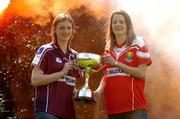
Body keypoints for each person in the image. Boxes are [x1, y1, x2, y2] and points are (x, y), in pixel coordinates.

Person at [94, 10, 152, 119]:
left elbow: (141, 73)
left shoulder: (138, 43)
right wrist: (99, 90)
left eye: (121, 22)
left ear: (128, 25)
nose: (118, 25)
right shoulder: (108, 46)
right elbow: (107, 74)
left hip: (135, 109)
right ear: (111, 26)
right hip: (113, 110)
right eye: (115, 22)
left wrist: (116, 63)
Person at [31, 13, 83, 119]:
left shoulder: (75, 56)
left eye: (69, 28)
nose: (66, 31)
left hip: (68, 113)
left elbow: (70, 85)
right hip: (48, 111)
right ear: (54, 29)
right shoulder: (46, 50)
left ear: (73, 30)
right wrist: (62, 73)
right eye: (62, 28)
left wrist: (80, 93)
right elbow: (35, 79)